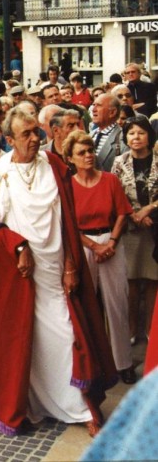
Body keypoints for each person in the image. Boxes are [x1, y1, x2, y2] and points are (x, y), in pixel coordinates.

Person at [0, 107, 116, 437]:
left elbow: (67, 220)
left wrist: (70, 265)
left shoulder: (53, 165)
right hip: (17, 276)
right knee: (24, 341)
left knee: (66, 335)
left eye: (37, 131)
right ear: (9, 140)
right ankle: (33, 403)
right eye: (27, 134)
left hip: (54, 271)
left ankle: (79, 408)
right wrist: (18, 246)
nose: (36, 138)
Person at [66, 130, 136, 384]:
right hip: (83, 245)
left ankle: (123, 363)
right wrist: (93, 247)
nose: (88, 156)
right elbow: (69, 223)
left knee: (117, 303)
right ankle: (91, 362)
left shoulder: (109, 180)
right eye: (81, 153)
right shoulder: (69, 186)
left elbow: (122, 213)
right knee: (85, 305)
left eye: (90, 151)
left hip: (110, 241)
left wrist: (112, 242)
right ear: (70, 158)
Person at [110, 115, 158, 350]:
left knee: (151, 280)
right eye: (131, 133)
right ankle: (130, 329)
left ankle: (149, 329)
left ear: (149, 135)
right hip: (129, 228)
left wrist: (149, 209)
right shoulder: (120, 161)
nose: (136, 137)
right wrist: (133, 215)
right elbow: (115, 193)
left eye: (140, 132)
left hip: (154, 228)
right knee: (129, 281)